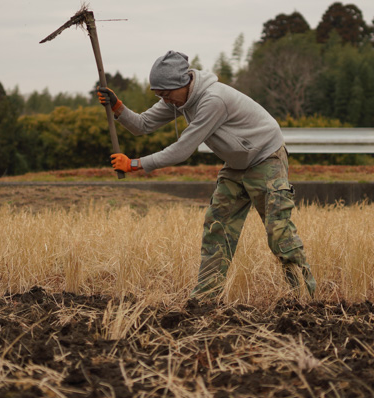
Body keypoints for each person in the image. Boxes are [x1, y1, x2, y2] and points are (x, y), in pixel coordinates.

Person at [97, 50, 317, 300]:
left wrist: (135, 164)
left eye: (167, 94)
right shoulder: (178, 99)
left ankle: (305, 297)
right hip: (236, 164)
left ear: (184, 82)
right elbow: (143, 125)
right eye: (159, 95)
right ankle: (204, 300)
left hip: (266, 158)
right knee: (217, 228)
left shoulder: (213, 100)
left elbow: (181, 150)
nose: (165, 101)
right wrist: (118, 107)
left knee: (279, 232)